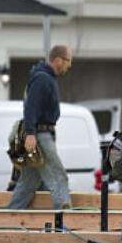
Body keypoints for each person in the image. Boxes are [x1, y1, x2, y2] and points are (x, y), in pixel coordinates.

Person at [8, 45, 74, 210]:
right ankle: (64, 221)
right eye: (68, 61)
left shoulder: (44, 77)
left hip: (39, 134)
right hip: (41, 135)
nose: (69, 65)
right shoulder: (42, 79)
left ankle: (10, 217)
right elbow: (31, 107)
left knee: (28, 183)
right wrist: (31, 134)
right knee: (58, 177)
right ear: (58, 60)